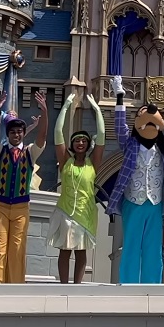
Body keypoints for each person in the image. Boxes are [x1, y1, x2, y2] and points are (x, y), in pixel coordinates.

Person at [106, 75, 164, 284]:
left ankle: (152, 286)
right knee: (131, 245)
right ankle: (129, 284)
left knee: (153, 247)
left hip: (155, 203)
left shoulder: (163, 147)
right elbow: (119, 127)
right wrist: (119, 98)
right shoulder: (130, 144)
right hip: (134, 201)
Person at [0, 89, 48, 283]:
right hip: (0, 206)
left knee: (18, 249)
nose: (17, 134)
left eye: (19, 131)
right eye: (13, 131)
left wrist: (45, 112)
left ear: (23, 133)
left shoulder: (30, 153)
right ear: (8, 133)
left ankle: (15, 286)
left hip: (21, 208)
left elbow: (43, 136)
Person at [47, 94, 103, 284]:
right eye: (77, 140)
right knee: (64, 250)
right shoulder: (65, 162)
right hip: (65, 211)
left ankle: (76, 288)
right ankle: (63, 286)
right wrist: (66, 106)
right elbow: (57, 133)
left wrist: (97, 110)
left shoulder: (93, 163)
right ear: (72, 144)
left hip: (85, 212)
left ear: (88, 145)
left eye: (84, 141)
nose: (80, 143)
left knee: (81, 251)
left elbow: (102, 136)